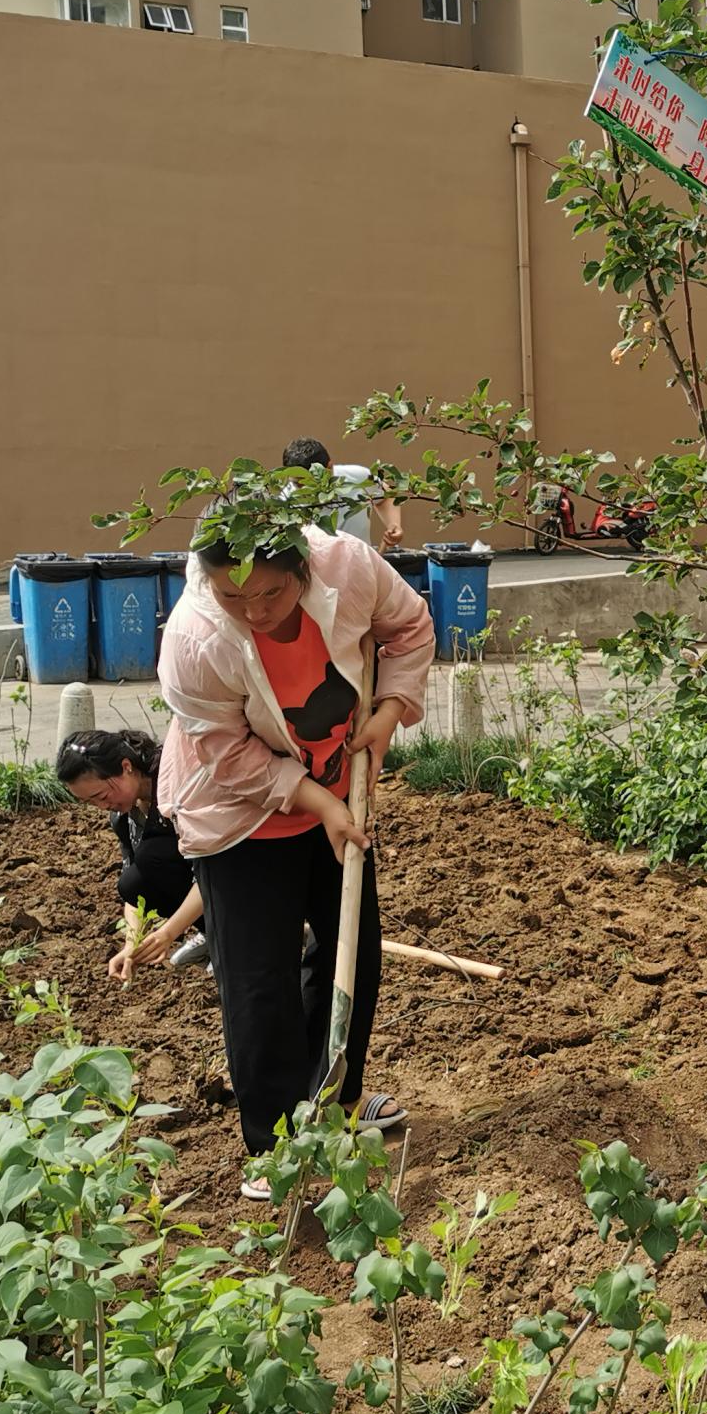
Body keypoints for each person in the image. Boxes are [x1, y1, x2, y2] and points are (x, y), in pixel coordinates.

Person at [158, 514, 434, 1199]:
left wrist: (391, 708)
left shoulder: (349, 566)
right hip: (238, 815)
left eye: (271, 596)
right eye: (232, 596)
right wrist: (316, 801)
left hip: (339, 791)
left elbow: (410, 627)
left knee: (352, 954)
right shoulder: (193, 641)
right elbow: (224, 752)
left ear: (302, 572)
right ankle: (276, 1143)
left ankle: (333, 1105)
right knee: (259, 981)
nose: (253, 612)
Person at [55, 728, 209, 978]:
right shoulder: (125, 817)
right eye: (92, 803)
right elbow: (135, 891)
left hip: (241, 872)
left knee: (152, 857)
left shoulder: (176, 788)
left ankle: (231, 935)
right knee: (132, 882)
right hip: (208, 884)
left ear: (126, 766)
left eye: (102, 795)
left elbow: (214, 869)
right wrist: (132, 944)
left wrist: (169, 932)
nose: (103, 806)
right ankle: (212, 934)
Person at [282, 437, 402, 549]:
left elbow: (386, 496)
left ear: (330, 467)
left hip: (361, 567)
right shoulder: (284, 503)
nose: (306, 491)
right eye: (297, 484)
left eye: (313, 482)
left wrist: (393, 524)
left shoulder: (358, 478)